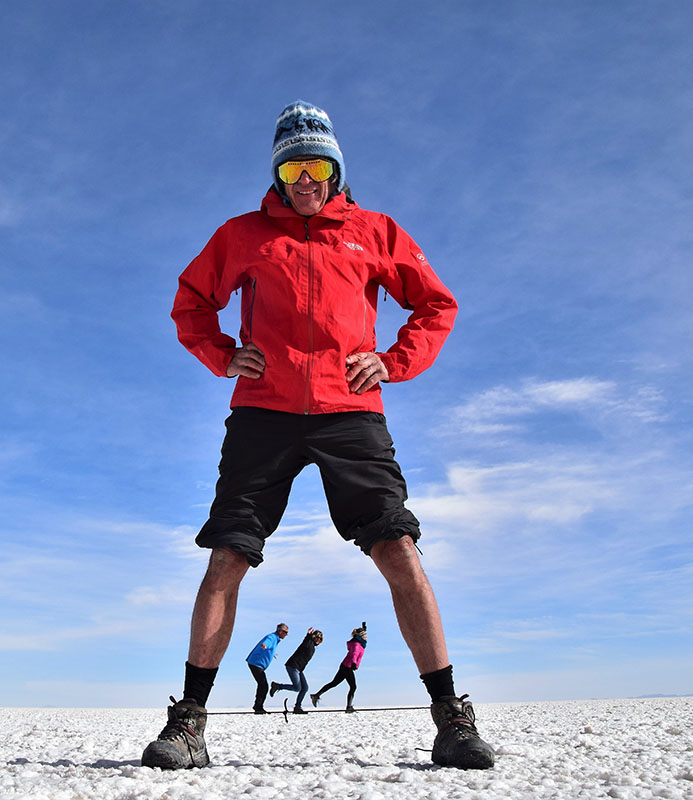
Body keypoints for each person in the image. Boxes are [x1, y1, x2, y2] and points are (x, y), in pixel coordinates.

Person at [140, 100, 495, 772]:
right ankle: (189, 722)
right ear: (277, 173)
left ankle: (451, 718)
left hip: (351, 412)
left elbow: (436, 303)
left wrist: (392, 361)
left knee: (399, 550)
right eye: (293, 165)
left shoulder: (374, 231)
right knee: (228, 556)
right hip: (264, 411)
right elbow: (191, 302)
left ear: (336, 169)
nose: (306, 178)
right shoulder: (242, 234)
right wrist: (221, 354)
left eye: (318, 164)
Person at [311, 624, 366, 712]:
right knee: (353, 687)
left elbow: (358, 642)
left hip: (344, 666)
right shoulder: (357, 644)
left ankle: (316, 695)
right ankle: (348, 707)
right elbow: (354, 654)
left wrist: (364, 629)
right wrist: (354, 663)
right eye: (365, 634)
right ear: (361, 636)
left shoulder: (358, 642)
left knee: (334, 683)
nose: (366, 636)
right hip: (348, 667)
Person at [269, 627, 322, 713]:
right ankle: (277, 686)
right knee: (297, 688)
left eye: (320, 639)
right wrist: (308, 635)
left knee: (304, 688)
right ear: (313, 637)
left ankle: (297, 707)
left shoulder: (312, 647)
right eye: (317, 637)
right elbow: (305, 642)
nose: (318, 640)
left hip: (299, 669)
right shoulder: (308, 642)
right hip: (293, 666)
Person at [246, 623, 288, 713]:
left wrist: (272, 654)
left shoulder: (275, 639)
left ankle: (258, 706)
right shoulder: (272, 637)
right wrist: (264, 645)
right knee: (263, 685)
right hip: (256, 664)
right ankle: (258, 707)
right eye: (285, 632)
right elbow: (267, 642)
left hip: (256, 664)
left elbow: (269, 646)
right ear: (280, 631)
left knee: (262, 685)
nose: (286, 635)